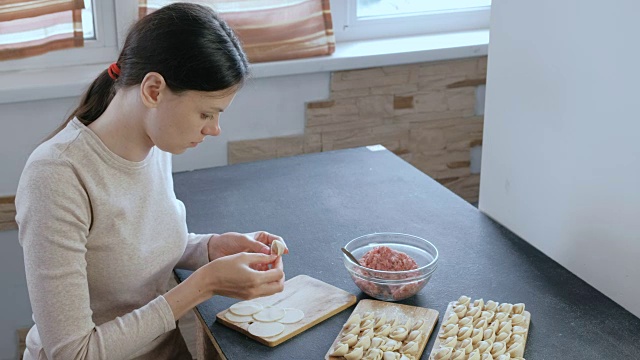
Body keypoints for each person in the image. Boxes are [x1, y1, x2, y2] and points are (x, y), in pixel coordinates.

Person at [15, 3, 287, 359]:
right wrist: (203, 285)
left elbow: (131, 249)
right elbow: (73, 352)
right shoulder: (56, 176)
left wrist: (209, 248)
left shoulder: (156, 143)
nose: (214, 129)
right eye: (206, 113)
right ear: (154, 90)